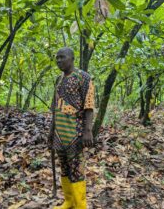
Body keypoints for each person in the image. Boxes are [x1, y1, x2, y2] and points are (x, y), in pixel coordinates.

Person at [49, 47, 95, 209]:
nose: (59, 61)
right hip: (59, 135)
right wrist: (51, 133)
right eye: (57, 58)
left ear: (72, 58)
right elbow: (55, 108)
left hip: (75, 133)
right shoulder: (58, 79)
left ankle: (81, 205)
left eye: (62, 57)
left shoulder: (83, 78)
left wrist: (88, 130)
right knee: (64, 168)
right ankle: (69, 201)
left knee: (76, 170)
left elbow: (89, 105)